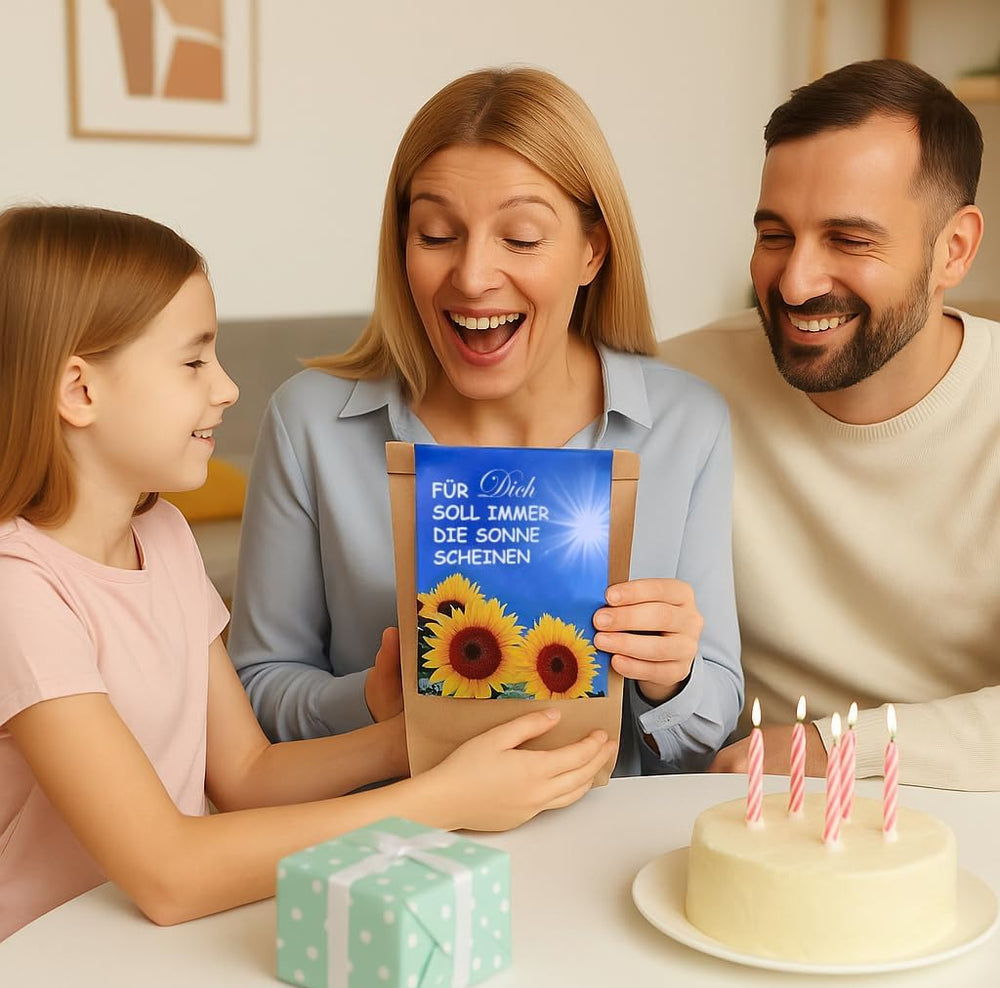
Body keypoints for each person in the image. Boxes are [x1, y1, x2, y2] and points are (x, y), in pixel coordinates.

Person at [0, 205, 618, 941]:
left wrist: (408, 741)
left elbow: (247, 773)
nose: (228, 388)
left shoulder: (161, 536)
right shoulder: (20, 589)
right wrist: (442, 800)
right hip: (48, 961)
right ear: (80, 390)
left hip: (144, 945)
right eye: (194, 361)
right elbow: (169, 873)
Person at [228, 67, 743, 775]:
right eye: (436, 234)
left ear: (592, 250)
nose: (472, 276)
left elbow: (710, 724)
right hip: (392, 845)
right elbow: (254, 693)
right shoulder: (310, 422)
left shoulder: (686, 424)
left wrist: (672, 677)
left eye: (522, 239)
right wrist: (372, 704)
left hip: (603, 843)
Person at [660, 59, 999, 791]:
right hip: (740, 811)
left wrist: (830, 746)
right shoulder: (675, 392)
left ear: (955, 250)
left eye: (849, 240)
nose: (795, 281)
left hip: (968, 823)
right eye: (775, 235)